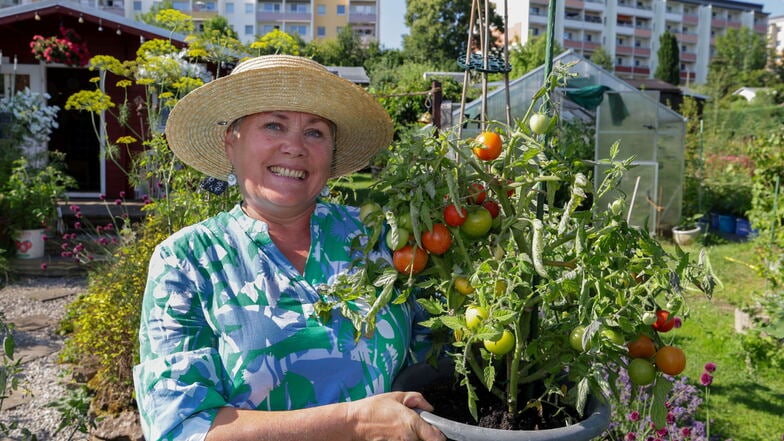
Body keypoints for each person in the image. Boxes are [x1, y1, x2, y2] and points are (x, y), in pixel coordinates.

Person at [132, 55, 445, 441]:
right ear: (232, 140)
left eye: (314, 133)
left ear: (331, 153)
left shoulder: (381, 236)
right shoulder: (188, 260)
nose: (294, 147)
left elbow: (437, 361)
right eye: (273, 125)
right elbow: (180, 427)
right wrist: (354, 422)